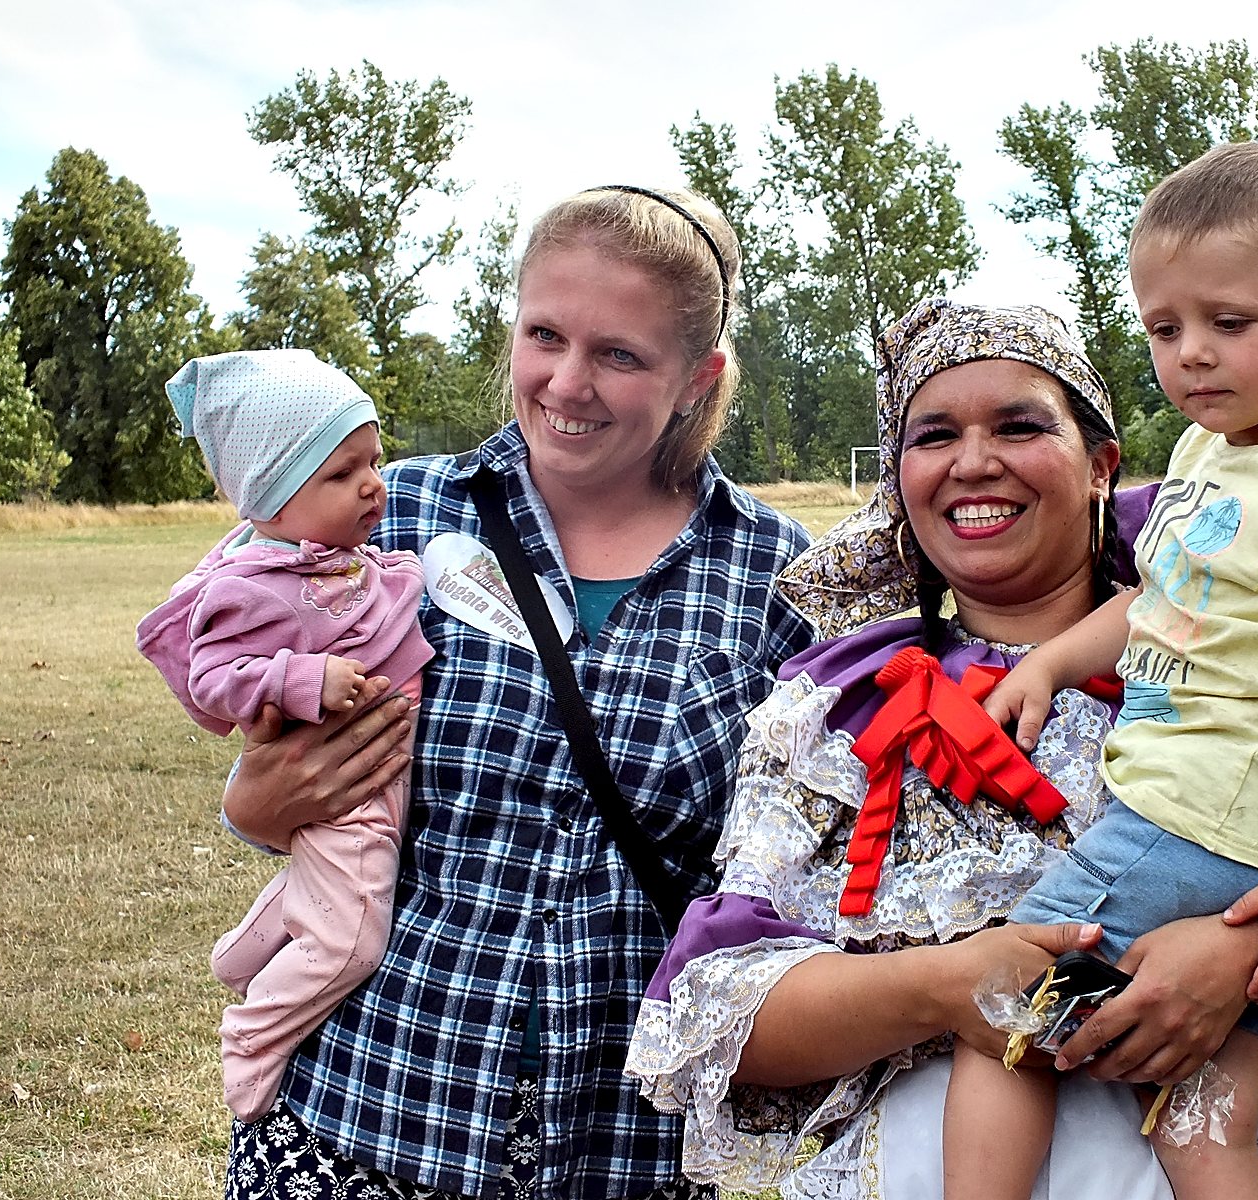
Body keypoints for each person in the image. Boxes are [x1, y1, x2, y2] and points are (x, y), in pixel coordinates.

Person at [624, 295, 1258, 1200]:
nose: (973, 464)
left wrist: (1242, 963)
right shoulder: (840, 705)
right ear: (896, 477)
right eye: (932, 435)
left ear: (1103, 463)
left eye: (1020, 425)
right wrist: (942, 987)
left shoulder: (1256, 647)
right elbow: (726, 1015)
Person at [216, 186, 814, 1200]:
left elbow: (801, 854)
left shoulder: (777, 577)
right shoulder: (389, 512)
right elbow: (228, 657)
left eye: (618, 355)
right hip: (365, 1110)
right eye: (545, 335)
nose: (565, 384)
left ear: (695, 378)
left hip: (623, 1147)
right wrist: (248, 803)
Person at [944, 142, 1258, 1199]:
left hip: (1200, 824)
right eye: (1165, 329)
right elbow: (1159, 599)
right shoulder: (1217, 455)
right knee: (1205, 1117)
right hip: (1244, 843)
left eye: (1229, 323)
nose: (1191, 356)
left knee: (1001, 1015)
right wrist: (1051, 664)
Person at [137, 349, 432, 1122]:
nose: (374, 485)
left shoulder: (330, 557)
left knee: (319, 893)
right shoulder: (251, 586)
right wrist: (305, 680)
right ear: (274, 494)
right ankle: (254, 1035)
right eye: (343, 474)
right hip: (351, 787)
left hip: (371, 774)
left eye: (375, 459)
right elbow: (215, 680)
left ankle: (238, 957)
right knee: (352, 940)